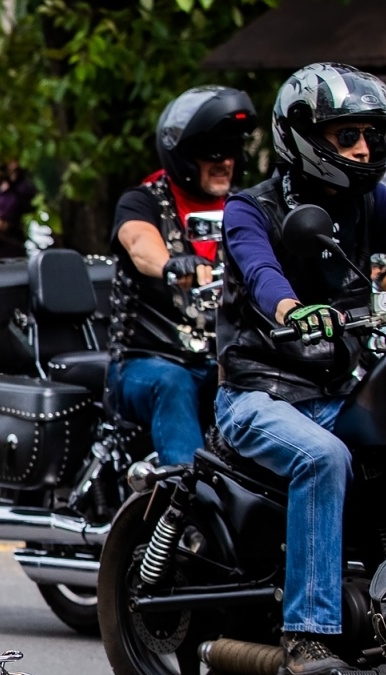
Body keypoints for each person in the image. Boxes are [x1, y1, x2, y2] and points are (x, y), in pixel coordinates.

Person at [217, 62, 386, 675]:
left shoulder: (373, 200)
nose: (365, 148)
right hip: (261, 391)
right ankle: (307, 634)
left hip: (340, 386)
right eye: (348, 136)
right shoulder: (250, 208)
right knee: (323, 459)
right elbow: (260, 272)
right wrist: (294, 310)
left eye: (371, 133)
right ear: (302, 135)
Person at [108, 85, 257, 467]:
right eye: (212, 152)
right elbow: (139, 243)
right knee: (172, 382)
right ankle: (190, 507)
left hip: (219, 361)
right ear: (183, 155)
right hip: (144, 363)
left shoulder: (244, 208)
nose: (225, 162)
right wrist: (171, 264)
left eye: (231, 152)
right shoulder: (143, 200)